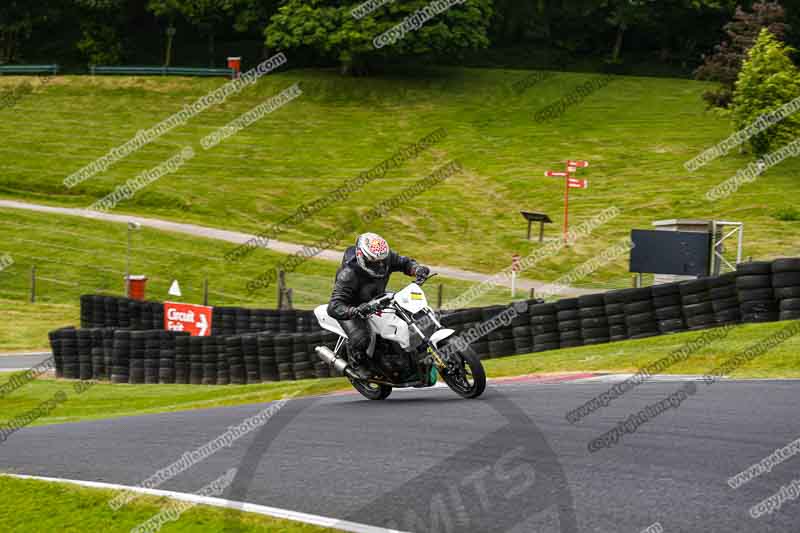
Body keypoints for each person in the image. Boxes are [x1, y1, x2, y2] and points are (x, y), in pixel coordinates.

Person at [328, 232, 431, 379]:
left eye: (382, 261)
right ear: (361, 257)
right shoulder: (348, 274)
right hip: (354, 306)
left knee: (408, 312)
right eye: (374, 263)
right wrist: (354, 310)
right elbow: (334, 305)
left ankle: (412, 353)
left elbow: (405, 263)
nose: (380, 265)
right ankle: (358, 363)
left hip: (376, 298)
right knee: (361, 338)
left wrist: (417, 269)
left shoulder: (385, 257)